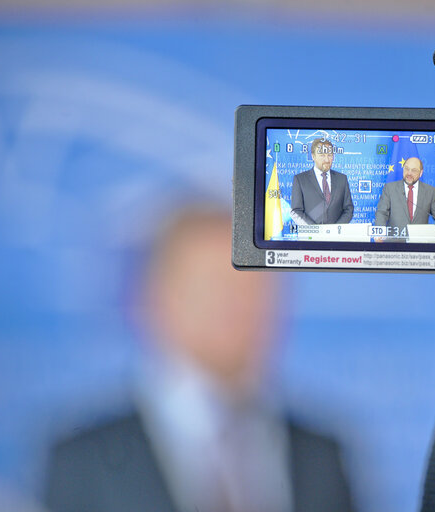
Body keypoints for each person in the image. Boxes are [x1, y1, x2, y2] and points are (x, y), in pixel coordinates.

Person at [44, 206, 353, 512]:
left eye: (254, 284)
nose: (237, 304)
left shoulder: (322, 456)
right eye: (213, 284)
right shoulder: (84, 461)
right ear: (155, 296)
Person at [375, 157, 435, 236]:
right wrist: (379, 232)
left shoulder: (430, 191)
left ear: (421, 173)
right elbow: (382, 213)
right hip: (395, 242)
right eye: (406, 169)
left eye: (414, 170)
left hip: (420, 243)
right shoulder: (390, 188)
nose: (409, 173)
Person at [291, 138, 353, 225]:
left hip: (335, 236)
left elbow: (348, 209)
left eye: (330, 155)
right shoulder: (300, 180)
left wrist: (335, 229)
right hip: (310, 236)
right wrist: (315, 230)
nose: (327, 160)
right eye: (322, 155)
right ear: (313, 156)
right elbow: (296, 211)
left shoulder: (342, 179)